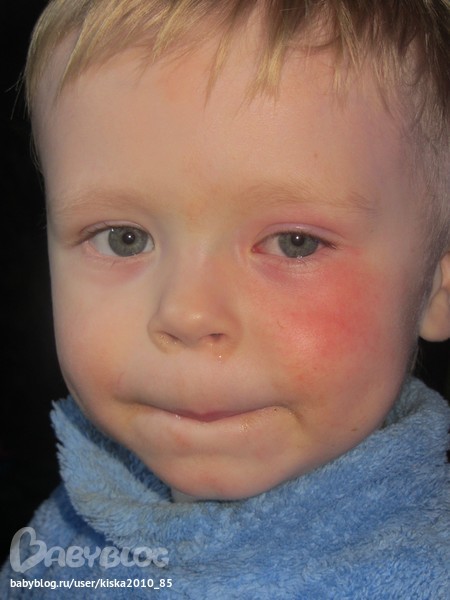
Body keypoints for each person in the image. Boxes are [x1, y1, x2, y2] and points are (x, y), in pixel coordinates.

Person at [1, 0, 449, 597]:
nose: (187, 313)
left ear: (438, 281)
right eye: (123, 238)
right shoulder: (66, 532)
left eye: (293, 243)